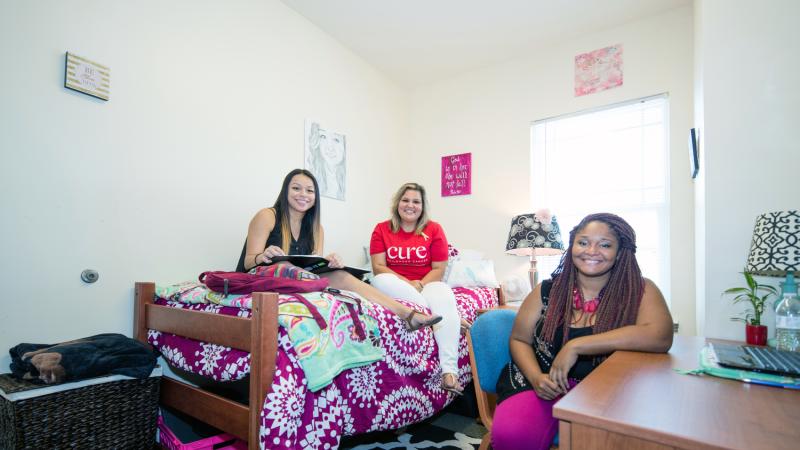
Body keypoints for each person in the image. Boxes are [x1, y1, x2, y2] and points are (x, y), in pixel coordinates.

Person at [491, 213, 673, 450]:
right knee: (512, 436)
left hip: (607, 390)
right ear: (572, 246)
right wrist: (536, 377)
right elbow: (519, 339)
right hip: (541, 381)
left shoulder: (639, 290)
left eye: (605, 244)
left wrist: (577, 345)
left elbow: (660, 336)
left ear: (619, 253)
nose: (591, 250)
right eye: (583, 242)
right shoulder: (547, 290)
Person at [235, 169, 441, 331]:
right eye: (296, 188)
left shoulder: (316, 228)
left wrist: (328, 262)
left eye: (309, 190)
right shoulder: (268, 216)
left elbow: (311, 269)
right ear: (285, 191)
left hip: (297, 281)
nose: (303, 195)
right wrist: (263, 256)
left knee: (341, 274)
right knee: (284, 264)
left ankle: (409, 315)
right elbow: (248, 261)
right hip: (260, 279)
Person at [369, 182, 465, 394]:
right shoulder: (382, 229)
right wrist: (407, 283)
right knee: (379, 281)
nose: (410, 205)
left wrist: (419, 284)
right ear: (397, 203)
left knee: (444, 293)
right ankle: (446, 317)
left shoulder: (434, 229)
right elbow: (378, 267)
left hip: (427, 284)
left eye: (416, 201)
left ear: (422, 206)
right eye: (405, 200)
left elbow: (439, 268)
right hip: (395, 285)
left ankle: (449, 372)